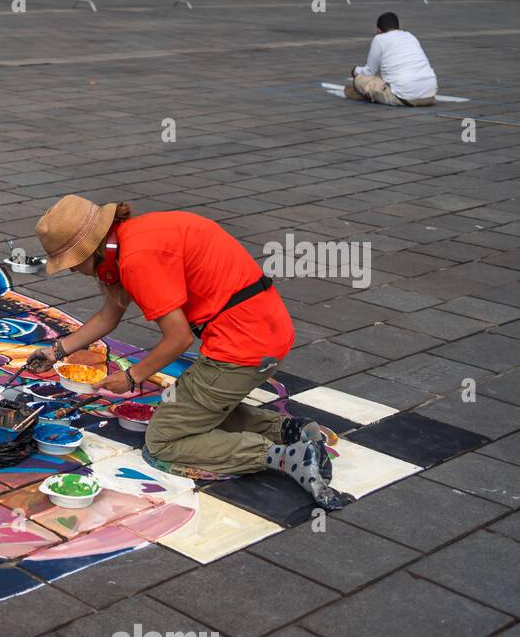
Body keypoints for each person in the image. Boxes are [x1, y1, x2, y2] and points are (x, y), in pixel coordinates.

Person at [26, 195, 350, 511]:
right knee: (187, 409)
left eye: (71, 262)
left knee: (164, 443)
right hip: (265, 331)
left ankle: (284, 457)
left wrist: (131, 376)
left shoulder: (137, 258)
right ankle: (289, 430)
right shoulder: (133, 236)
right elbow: (109, 314)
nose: (71, 270)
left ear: (91, 249)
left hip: (242, 347)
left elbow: (178, 338)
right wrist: (56, 350)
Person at [343, 12, 437, 107]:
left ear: (378, 31)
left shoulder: (379, 39)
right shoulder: (410, 36)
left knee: (359, 80)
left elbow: (369, 71)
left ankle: (370, 95)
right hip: (430, 93)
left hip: (404, 97)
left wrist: (355, 71)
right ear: (399, 26)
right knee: (384, 77)